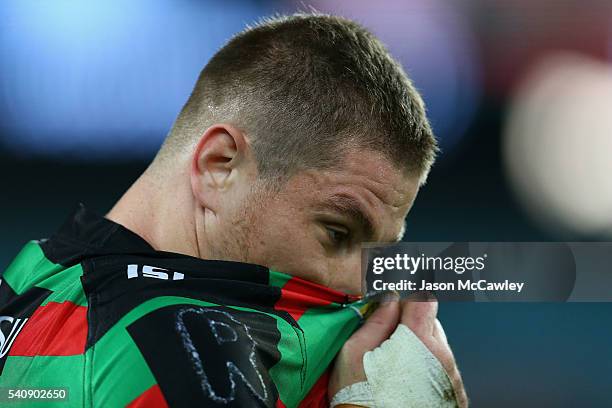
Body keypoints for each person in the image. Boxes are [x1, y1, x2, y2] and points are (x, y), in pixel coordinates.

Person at [0, 13, 466, 407]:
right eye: (337, 232)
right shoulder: (193, 362)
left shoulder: (33, 278)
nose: (354, 285)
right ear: (219, 165)